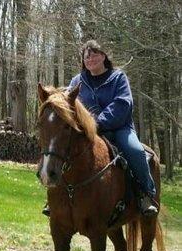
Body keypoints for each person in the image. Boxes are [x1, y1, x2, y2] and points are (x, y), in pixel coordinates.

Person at [42, 40, 158, 218]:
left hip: (119, 129)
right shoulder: (76, 81)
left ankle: (146, 195)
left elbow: (122, 104)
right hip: (87, 133)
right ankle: (55, 199)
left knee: (135, 151)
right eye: (86, 56)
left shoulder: (118, 78)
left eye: (95, 54)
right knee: (62, 151)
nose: (90, 58)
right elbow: (66, 107)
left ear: (104, 56)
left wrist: (97, 122)